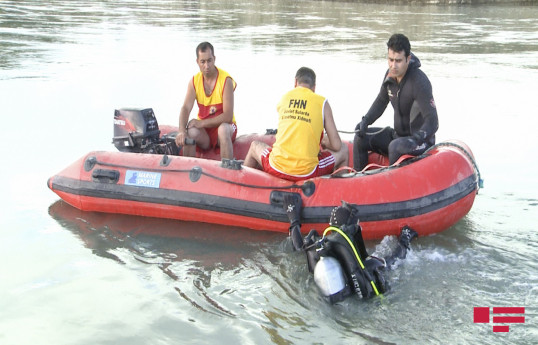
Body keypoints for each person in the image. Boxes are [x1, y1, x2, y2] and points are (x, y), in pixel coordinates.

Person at [283, 197, 418, 302]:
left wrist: (293, 218)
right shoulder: (369, 266)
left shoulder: (321, 249)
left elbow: (299, 249)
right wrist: (405, 239)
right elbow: (394, 258)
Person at [243, 67, 348, 181]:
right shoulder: (322, 103)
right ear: (314, 87)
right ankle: (339, 192)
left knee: (255, 146)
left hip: (276, 167)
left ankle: (241, 184)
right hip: (307, 172)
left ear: (295, 82)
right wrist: (325, 143)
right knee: (344, 150)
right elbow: (337, 145)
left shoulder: (284, 98)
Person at [353, 33, 439, 171]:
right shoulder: (390, 76)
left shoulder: (419, 82)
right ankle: (358, 182)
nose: (393, 66)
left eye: (398, 61)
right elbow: (381, 101)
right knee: (360, 137)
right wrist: (366, 120)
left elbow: (433, 121)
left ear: (408, 59)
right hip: (397, 136)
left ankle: (392, 188)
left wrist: (417, 138)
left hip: (420, 142)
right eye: (390, 60)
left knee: (395, 146)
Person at [175, 42, 237, 159]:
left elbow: (228, 116)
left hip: (226, 127)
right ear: (197, 62)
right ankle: (187, 170)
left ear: (214, 59)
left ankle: (227, 170)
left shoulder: (225, 80)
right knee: (191, 132)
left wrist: (201, 123)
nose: (207, 66)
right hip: (206, 132)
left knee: (223, 129)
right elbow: (186, 108)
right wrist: (182, 130)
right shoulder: (194, 81)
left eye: (209, 61)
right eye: (203, 62)